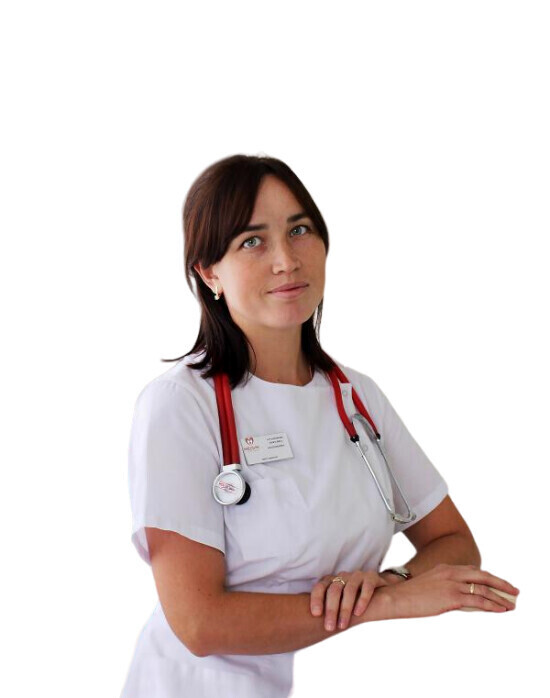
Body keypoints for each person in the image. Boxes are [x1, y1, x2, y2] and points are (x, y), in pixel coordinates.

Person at [120, 154, 519, 697]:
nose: (286, 260)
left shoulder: (356, 397)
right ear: (209, 272)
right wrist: (386, 602)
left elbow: (454, 542)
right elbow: (199, 623)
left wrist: (390, 580)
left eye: (299, 230)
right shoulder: (179, 406)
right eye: (252, 241)